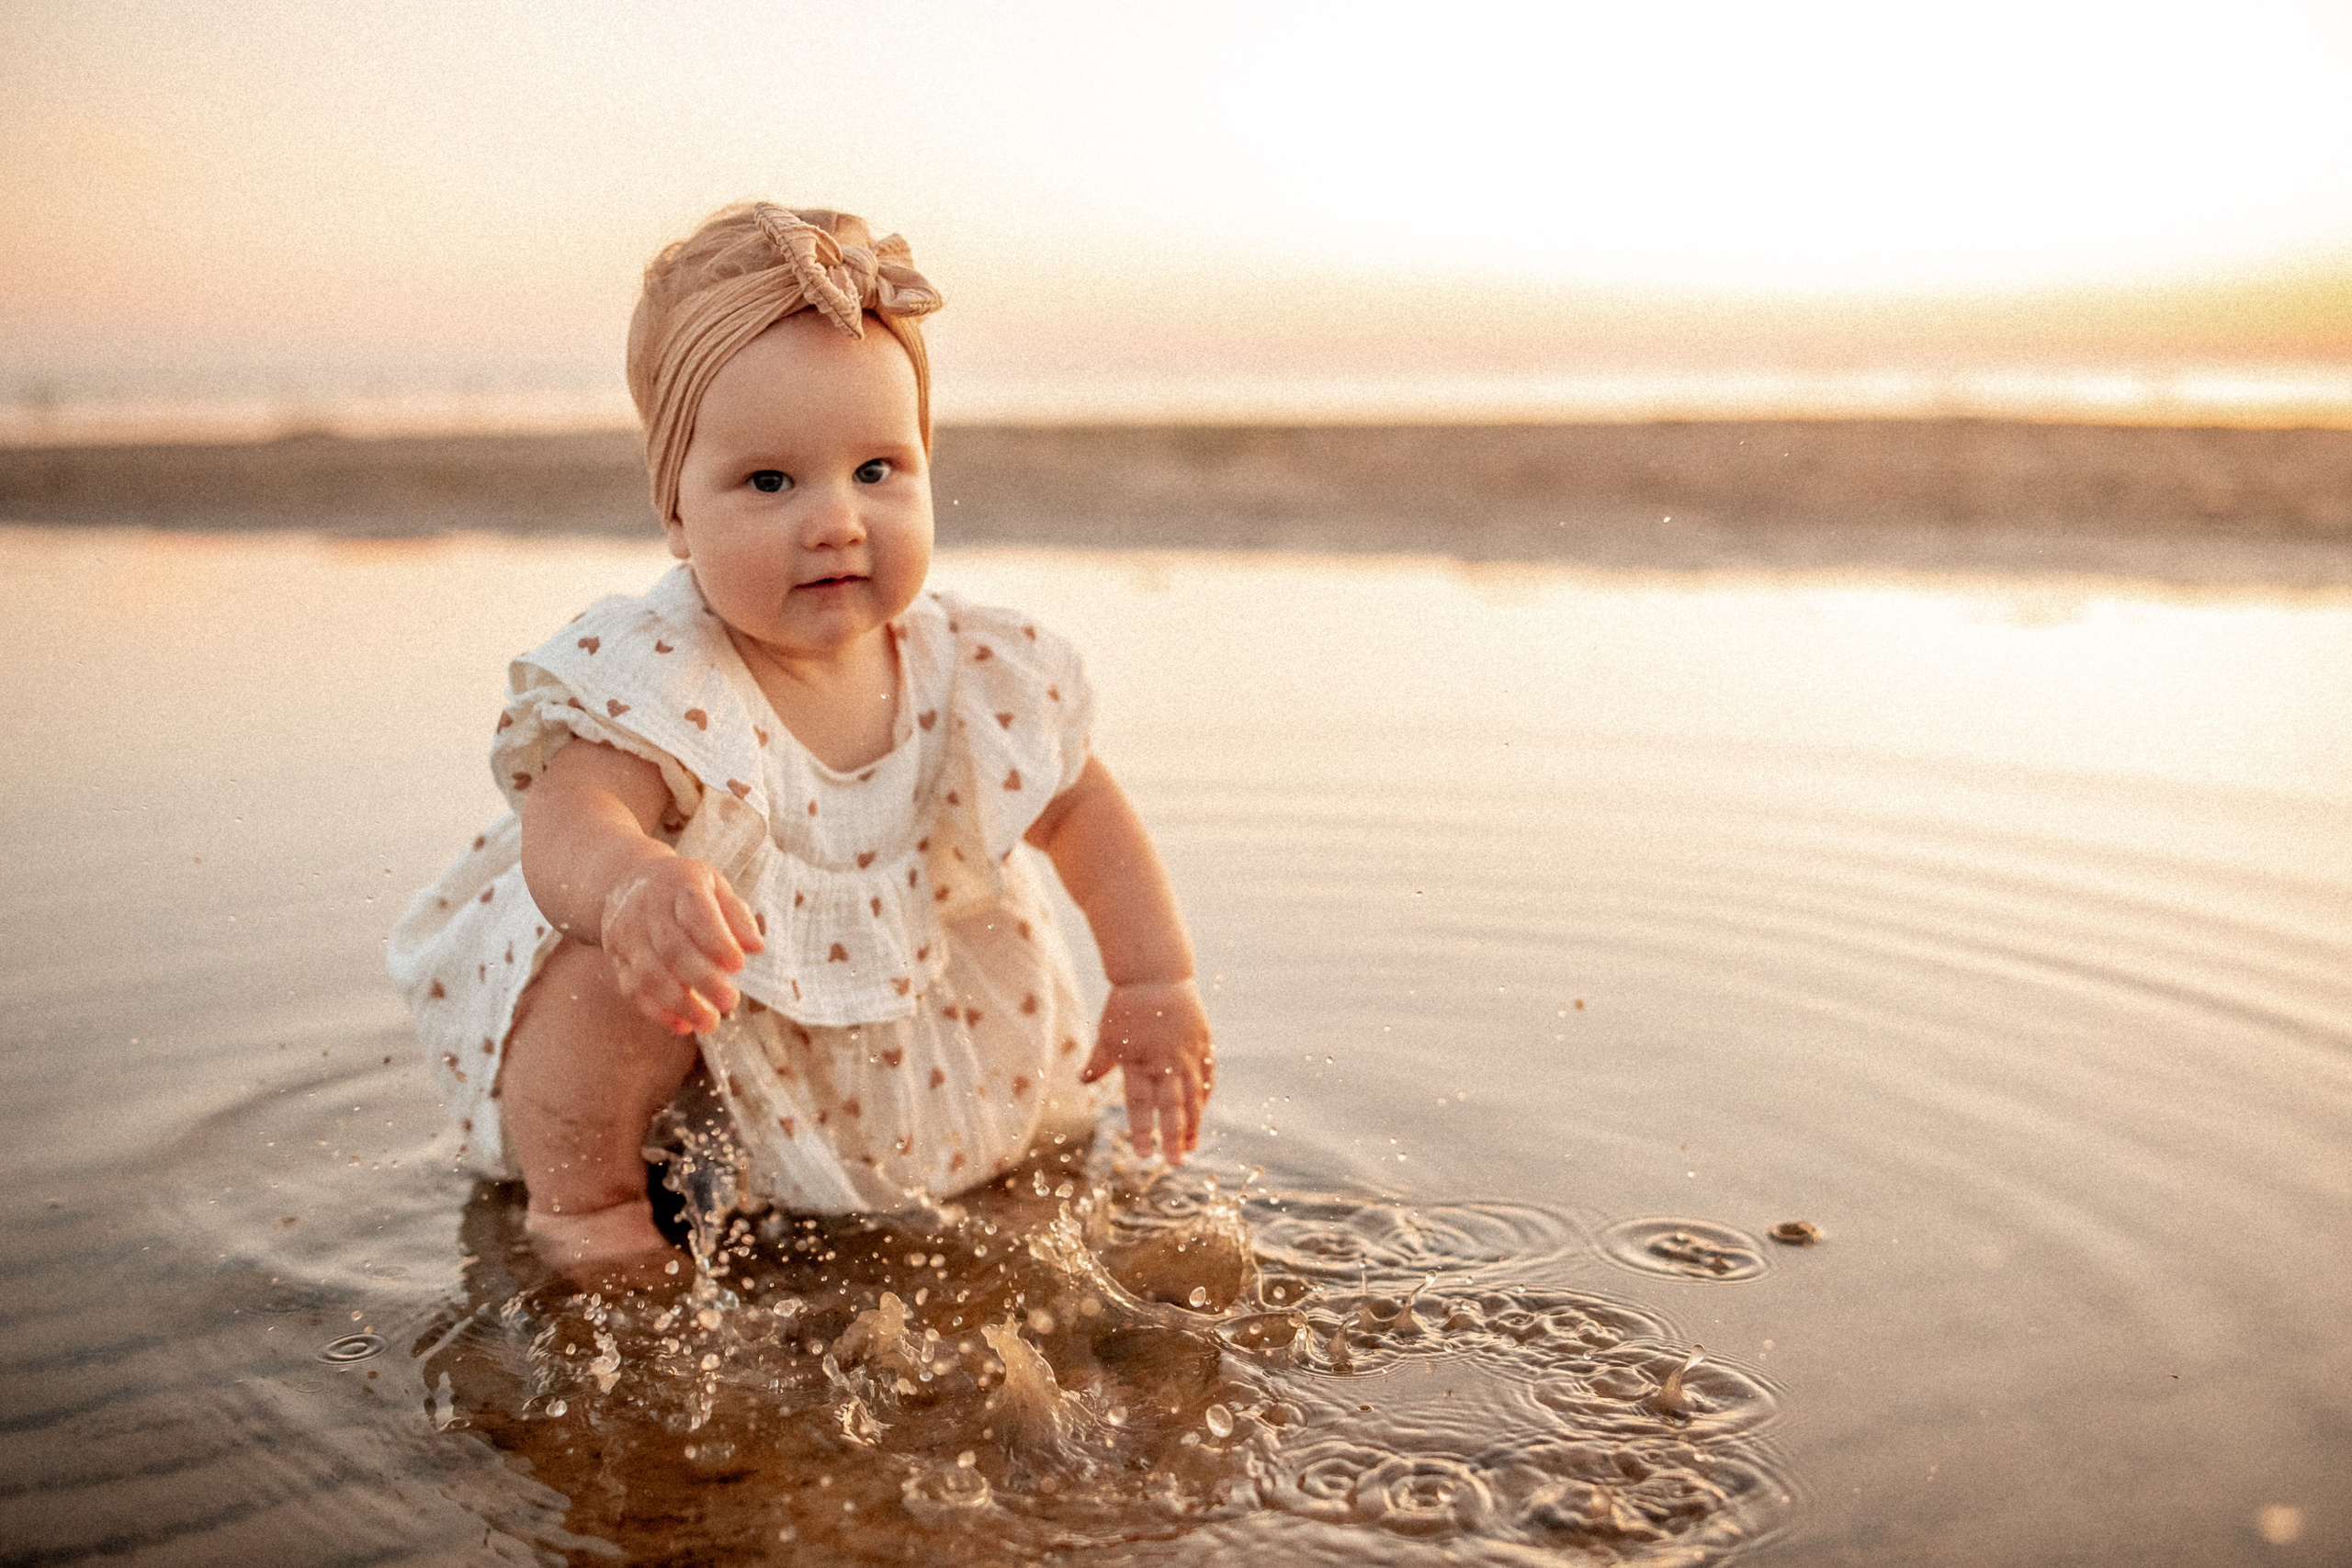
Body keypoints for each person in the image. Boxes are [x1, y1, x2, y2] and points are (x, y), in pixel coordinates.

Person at [388, 203, 1213, 1276]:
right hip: (700, 1008)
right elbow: (569, 814)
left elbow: (1081, 808)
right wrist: (630, 882)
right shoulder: (668, 673)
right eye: (770, 482)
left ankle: (921, 1170)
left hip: (891, 1014)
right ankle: (587, 1211)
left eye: (877, 471)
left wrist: (1154, 982)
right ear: (677, 515)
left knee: (1015, 1166)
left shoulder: (973, 670)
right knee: (610, 970)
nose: (835, 520)